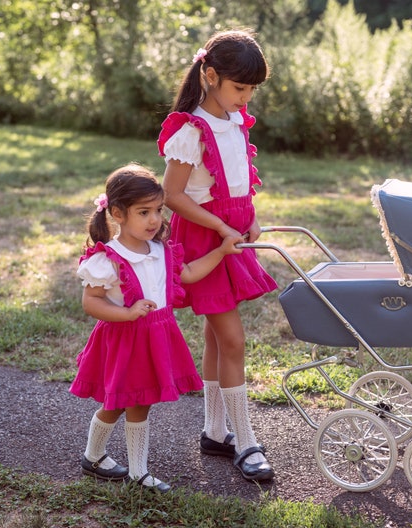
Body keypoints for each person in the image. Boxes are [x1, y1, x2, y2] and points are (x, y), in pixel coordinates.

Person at [69, 163, 244, 492]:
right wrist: (128, 312)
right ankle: (109, 463)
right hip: (124, 339)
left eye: (159, 211)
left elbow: (188, 274)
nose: (154, 220)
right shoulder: (109, 258)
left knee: (139, 402)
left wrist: (221, 251)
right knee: (118, 403)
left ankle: (122, 467)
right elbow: (91, 302)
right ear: (118, 214)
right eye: (144, 212)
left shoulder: (162, 251)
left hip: (157, 337)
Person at [157, 29, 278, 482]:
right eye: (239, 88)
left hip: (230, 236)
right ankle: (245, 442)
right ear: (210, 75)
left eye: (251, 90)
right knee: (233, 340)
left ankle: (214, 432)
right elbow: (172, 195)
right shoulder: (191, 129)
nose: (246, 98)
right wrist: (223, 228)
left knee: (214, 336)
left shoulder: (233, 119)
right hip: (206, 240)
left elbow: (237, 180)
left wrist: (250, 217)